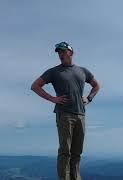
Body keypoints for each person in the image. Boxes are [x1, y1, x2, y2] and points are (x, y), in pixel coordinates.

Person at [30, 42, 100, 180]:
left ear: (71, 53)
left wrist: (89, 98)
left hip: (81, 114)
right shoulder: (54, 71)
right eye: (58, 52)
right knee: (65, 151)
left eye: (63, 51)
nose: (60, 55)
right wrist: (52, 99)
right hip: (64, 114)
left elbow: (96, 85)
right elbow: (35, 86)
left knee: (77, 152)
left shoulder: (83, 71)